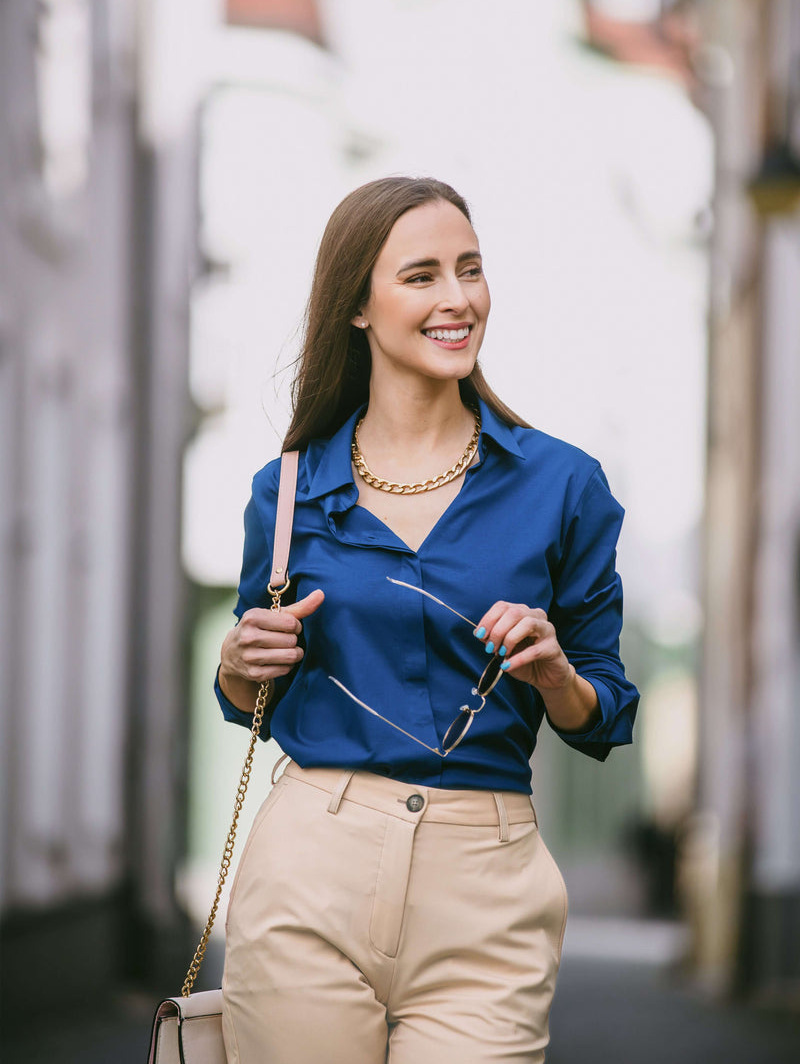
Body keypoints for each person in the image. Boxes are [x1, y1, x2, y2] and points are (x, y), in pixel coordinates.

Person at [215, 176, 640, 1064]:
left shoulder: (564, 486)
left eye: (470, 269)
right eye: (422, 275)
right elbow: (246, 690)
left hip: (487, 876)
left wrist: (557, 675)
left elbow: (607, 709)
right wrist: (239, 659)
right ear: (358, 307)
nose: (458, 299)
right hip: (309, 863)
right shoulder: (286, 492)